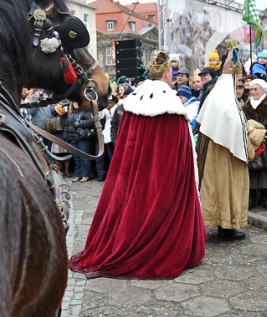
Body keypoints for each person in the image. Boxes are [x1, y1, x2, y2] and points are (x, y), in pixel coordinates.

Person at [68, 50, 206, 279]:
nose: (172, 77)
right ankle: (159, 248)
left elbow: (126, 143)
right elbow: (178, 148)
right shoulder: (170, 103)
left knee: (132, 208)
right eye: (170, 73)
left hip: (135, 174)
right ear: (164, 74)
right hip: (163, 176)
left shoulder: (132, 102)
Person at [197, 44, 249, 240]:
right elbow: (234, 126)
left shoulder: (217, 97)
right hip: (224, 154)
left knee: (219, 188)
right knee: (225, 187)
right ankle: (226, 225)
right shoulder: (224, 101)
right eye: (239, 81)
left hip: (217, 151)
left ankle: (224, 225)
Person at [243, 78, 267, 209]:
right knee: (252, 169)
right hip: (252, 142)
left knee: (266, 171)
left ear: (263, 90)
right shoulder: (245, 107)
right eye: (251, 89)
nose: (252, 92)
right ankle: (252, 197)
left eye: (255, 89)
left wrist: (257, 130)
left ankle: (266, 197)